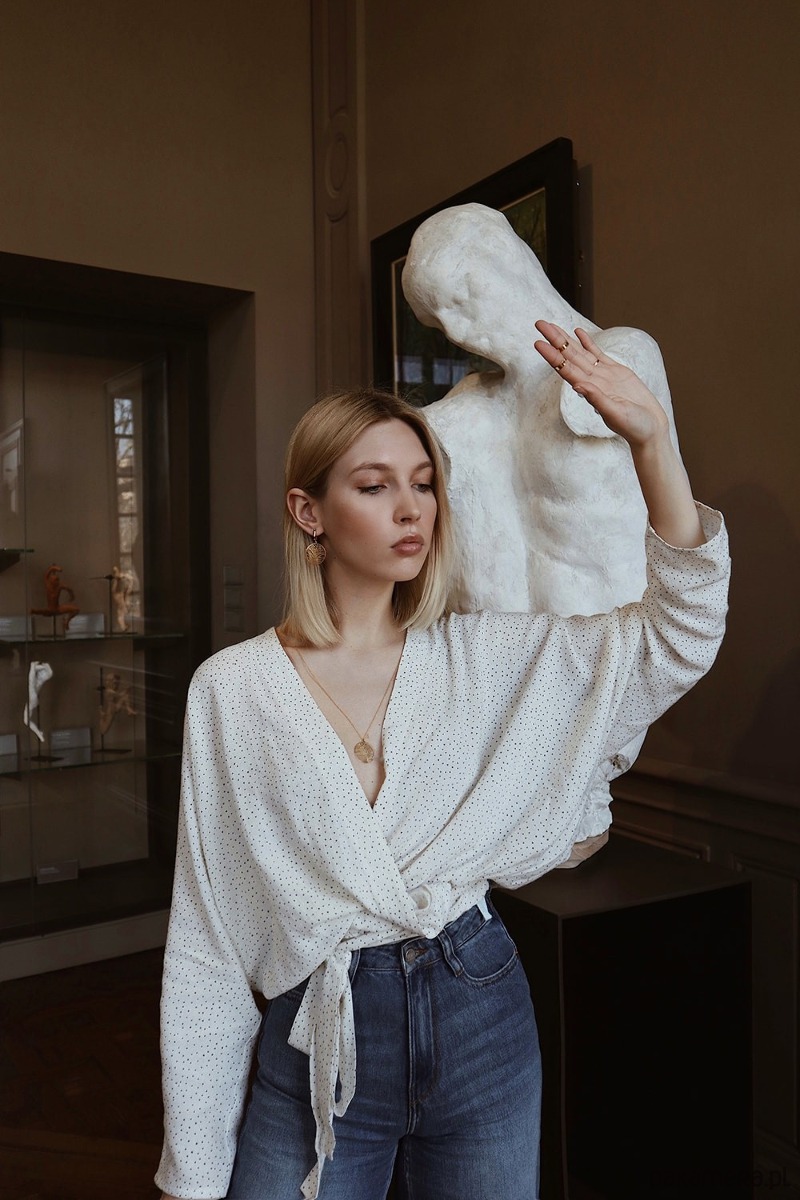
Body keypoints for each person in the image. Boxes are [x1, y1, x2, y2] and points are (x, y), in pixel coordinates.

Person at [156, 321, 730, 1200]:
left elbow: (675, 636)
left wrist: (653, 441)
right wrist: (192, 1174)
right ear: (309, 512)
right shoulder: (234, 691)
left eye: (423, 483)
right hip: (322, 1028)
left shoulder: (481, 658)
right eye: (375, 485)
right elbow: (209, 940)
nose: (411, 508)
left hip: (479, 1010)